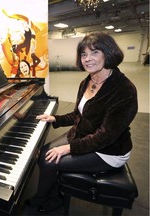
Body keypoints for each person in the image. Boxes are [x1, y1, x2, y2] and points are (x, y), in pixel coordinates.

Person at [26, 32, 138, 214]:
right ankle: (55, 197)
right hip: (85, 135)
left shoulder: (124, 89)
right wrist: (56, 119)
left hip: (108, 151)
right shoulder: (87, 81)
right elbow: (79, 115)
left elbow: (106, 136)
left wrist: (69, 148)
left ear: (108, 53)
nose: (87, 59)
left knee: (48, 161)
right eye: (84, 54)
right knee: (44, 152)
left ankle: (42, 198)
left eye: (94, 52)